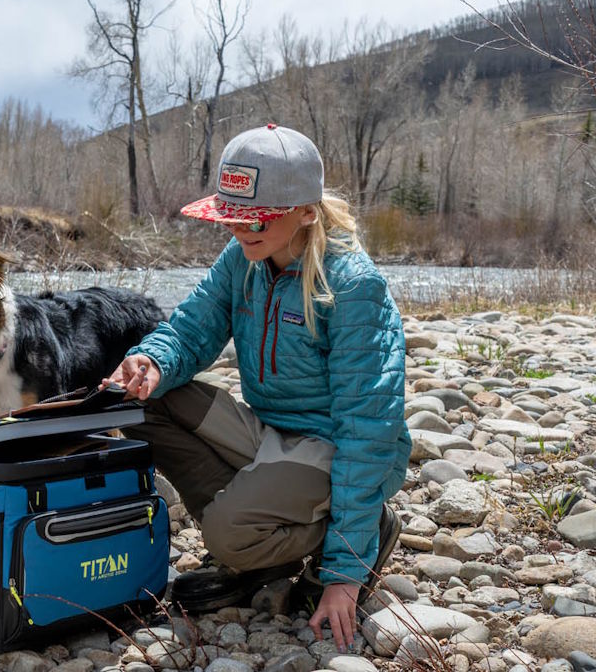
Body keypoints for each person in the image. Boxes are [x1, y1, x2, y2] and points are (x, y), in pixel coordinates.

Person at [106, 124, 410, 649]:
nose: (241, 230)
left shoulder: (354, 285)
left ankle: (349, 531)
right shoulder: (243, 258)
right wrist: (151, 362)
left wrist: (344, 573)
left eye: (258, 218)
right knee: (145, 401)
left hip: (331, 447)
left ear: (306, 212)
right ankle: (255, 542)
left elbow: (369, 426)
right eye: (233, 216)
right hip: (269, 432)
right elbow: (192, 329)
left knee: (226, 535)